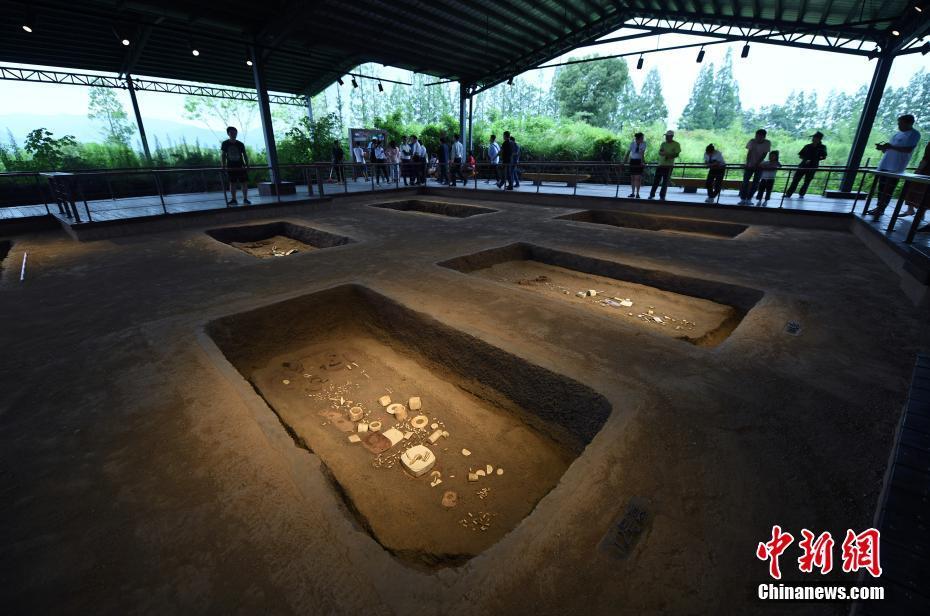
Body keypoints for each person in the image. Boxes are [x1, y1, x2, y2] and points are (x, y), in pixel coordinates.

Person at [866, 114, 921, 217]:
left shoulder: (914, 134)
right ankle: (879, 207)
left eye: (901, 123)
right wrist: (883, 148)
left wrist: (891, 146)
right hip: (885, 164)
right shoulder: (896, 134)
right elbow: (889, 150)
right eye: (898, 123)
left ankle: (881, 209)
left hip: (896, 166)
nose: (899, 125)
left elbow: (908, 149)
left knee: (888, 189)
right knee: (881, 188)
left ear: (909, 123)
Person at [784, 131, 827, 199]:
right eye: (813, 137)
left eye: (815, 137)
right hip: (803, 165)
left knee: (807, 181)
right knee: (795, 180)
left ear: (819, 139)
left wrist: (815, 159)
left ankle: (801, 194)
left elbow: (823, 157)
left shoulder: (822, 147)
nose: (813, 138)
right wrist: (806, 159)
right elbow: (800, 155)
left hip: (813, 166)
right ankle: (788, 194)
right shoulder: (807, 146)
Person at [738, 129, 772, 205]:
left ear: (764, 137)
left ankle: (749, 199)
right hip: (749, 165)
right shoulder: (752, 141)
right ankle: (743, 198)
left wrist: (757, 163)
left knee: (755, 183)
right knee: (745, 182)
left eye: (760, 136)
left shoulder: (767, 143)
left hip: (760, 166)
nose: (758, 138)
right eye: (756, 136)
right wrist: (748, 163)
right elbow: (749, 153)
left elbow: (764, 154)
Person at [221, 126, 251, 205]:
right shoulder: (225, 143)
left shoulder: (240, 144)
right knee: (232, 183)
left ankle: (245, 199)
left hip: (241, 166)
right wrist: (223, 166)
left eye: (235, 133)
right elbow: (223, 155)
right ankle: (234, 199)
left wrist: (247, 165)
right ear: (228, 134)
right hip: (230, 166)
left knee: (244, 182)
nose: (234, 134)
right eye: (232, 133)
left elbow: (245, 155)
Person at [649, 130, 681, 201]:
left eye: (667, 136)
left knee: (665, 182)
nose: (666, 137)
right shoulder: (663, 144)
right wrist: (663, 153)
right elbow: (660, 152)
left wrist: (668, 155)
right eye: (666, 136)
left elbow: (676, 154)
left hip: (669, 166)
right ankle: (651, 194)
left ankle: (662, 196)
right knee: (656, 180)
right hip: (660, 165)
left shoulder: (676, 144)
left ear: (671, 136)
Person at [625, 132, 646, 198]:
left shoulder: (643, 144)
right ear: (638, 138)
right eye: (642, 138)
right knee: (632, 178)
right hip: (632, 161)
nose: (643, 139)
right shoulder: (632, 144)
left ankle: (637, 193)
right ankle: (632, 193)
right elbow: (628, 153)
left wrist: (642, 162)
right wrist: (624, 161)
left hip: (639, 161)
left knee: (638, 178)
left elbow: (642, 154)